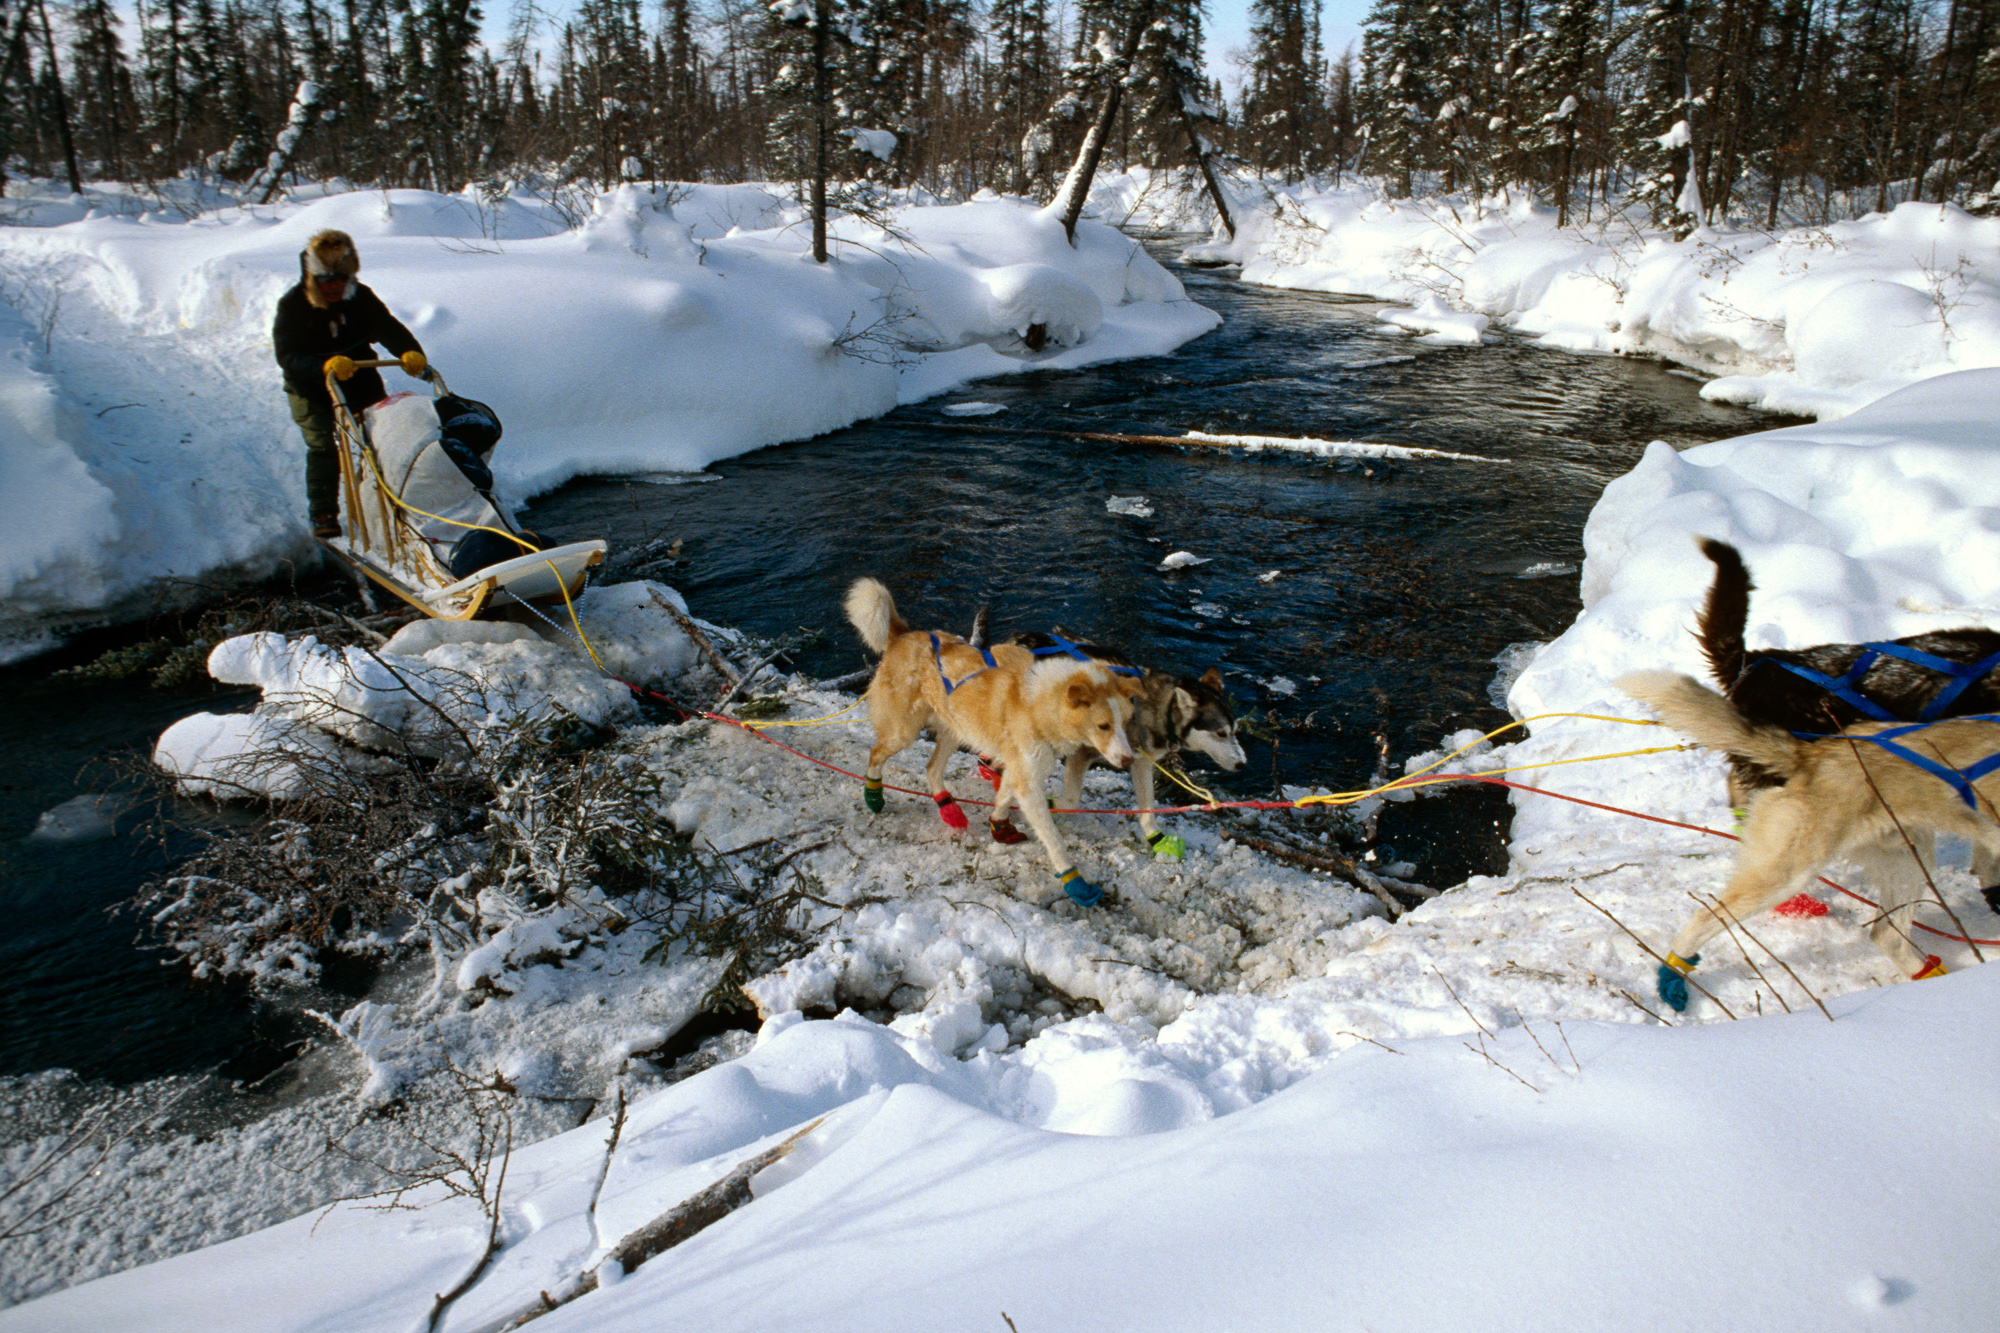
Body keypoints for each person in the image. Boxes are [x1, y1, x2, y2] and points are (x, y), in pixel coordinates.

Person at [272, 229, 427, 538]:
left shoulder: (361, 298)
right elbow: (287, 354)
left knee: (380, 438)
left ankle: (384, 501)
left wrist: (410, 352)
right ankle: (323, 512)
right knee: (322, 445)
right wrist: (322, 366)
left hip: (359, 378)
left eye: (340, 280)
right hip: (310, 384)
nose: (334, 287)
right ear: (313, 279)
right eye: (326, 280)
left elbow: (388, 328)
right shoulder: (293, 305)